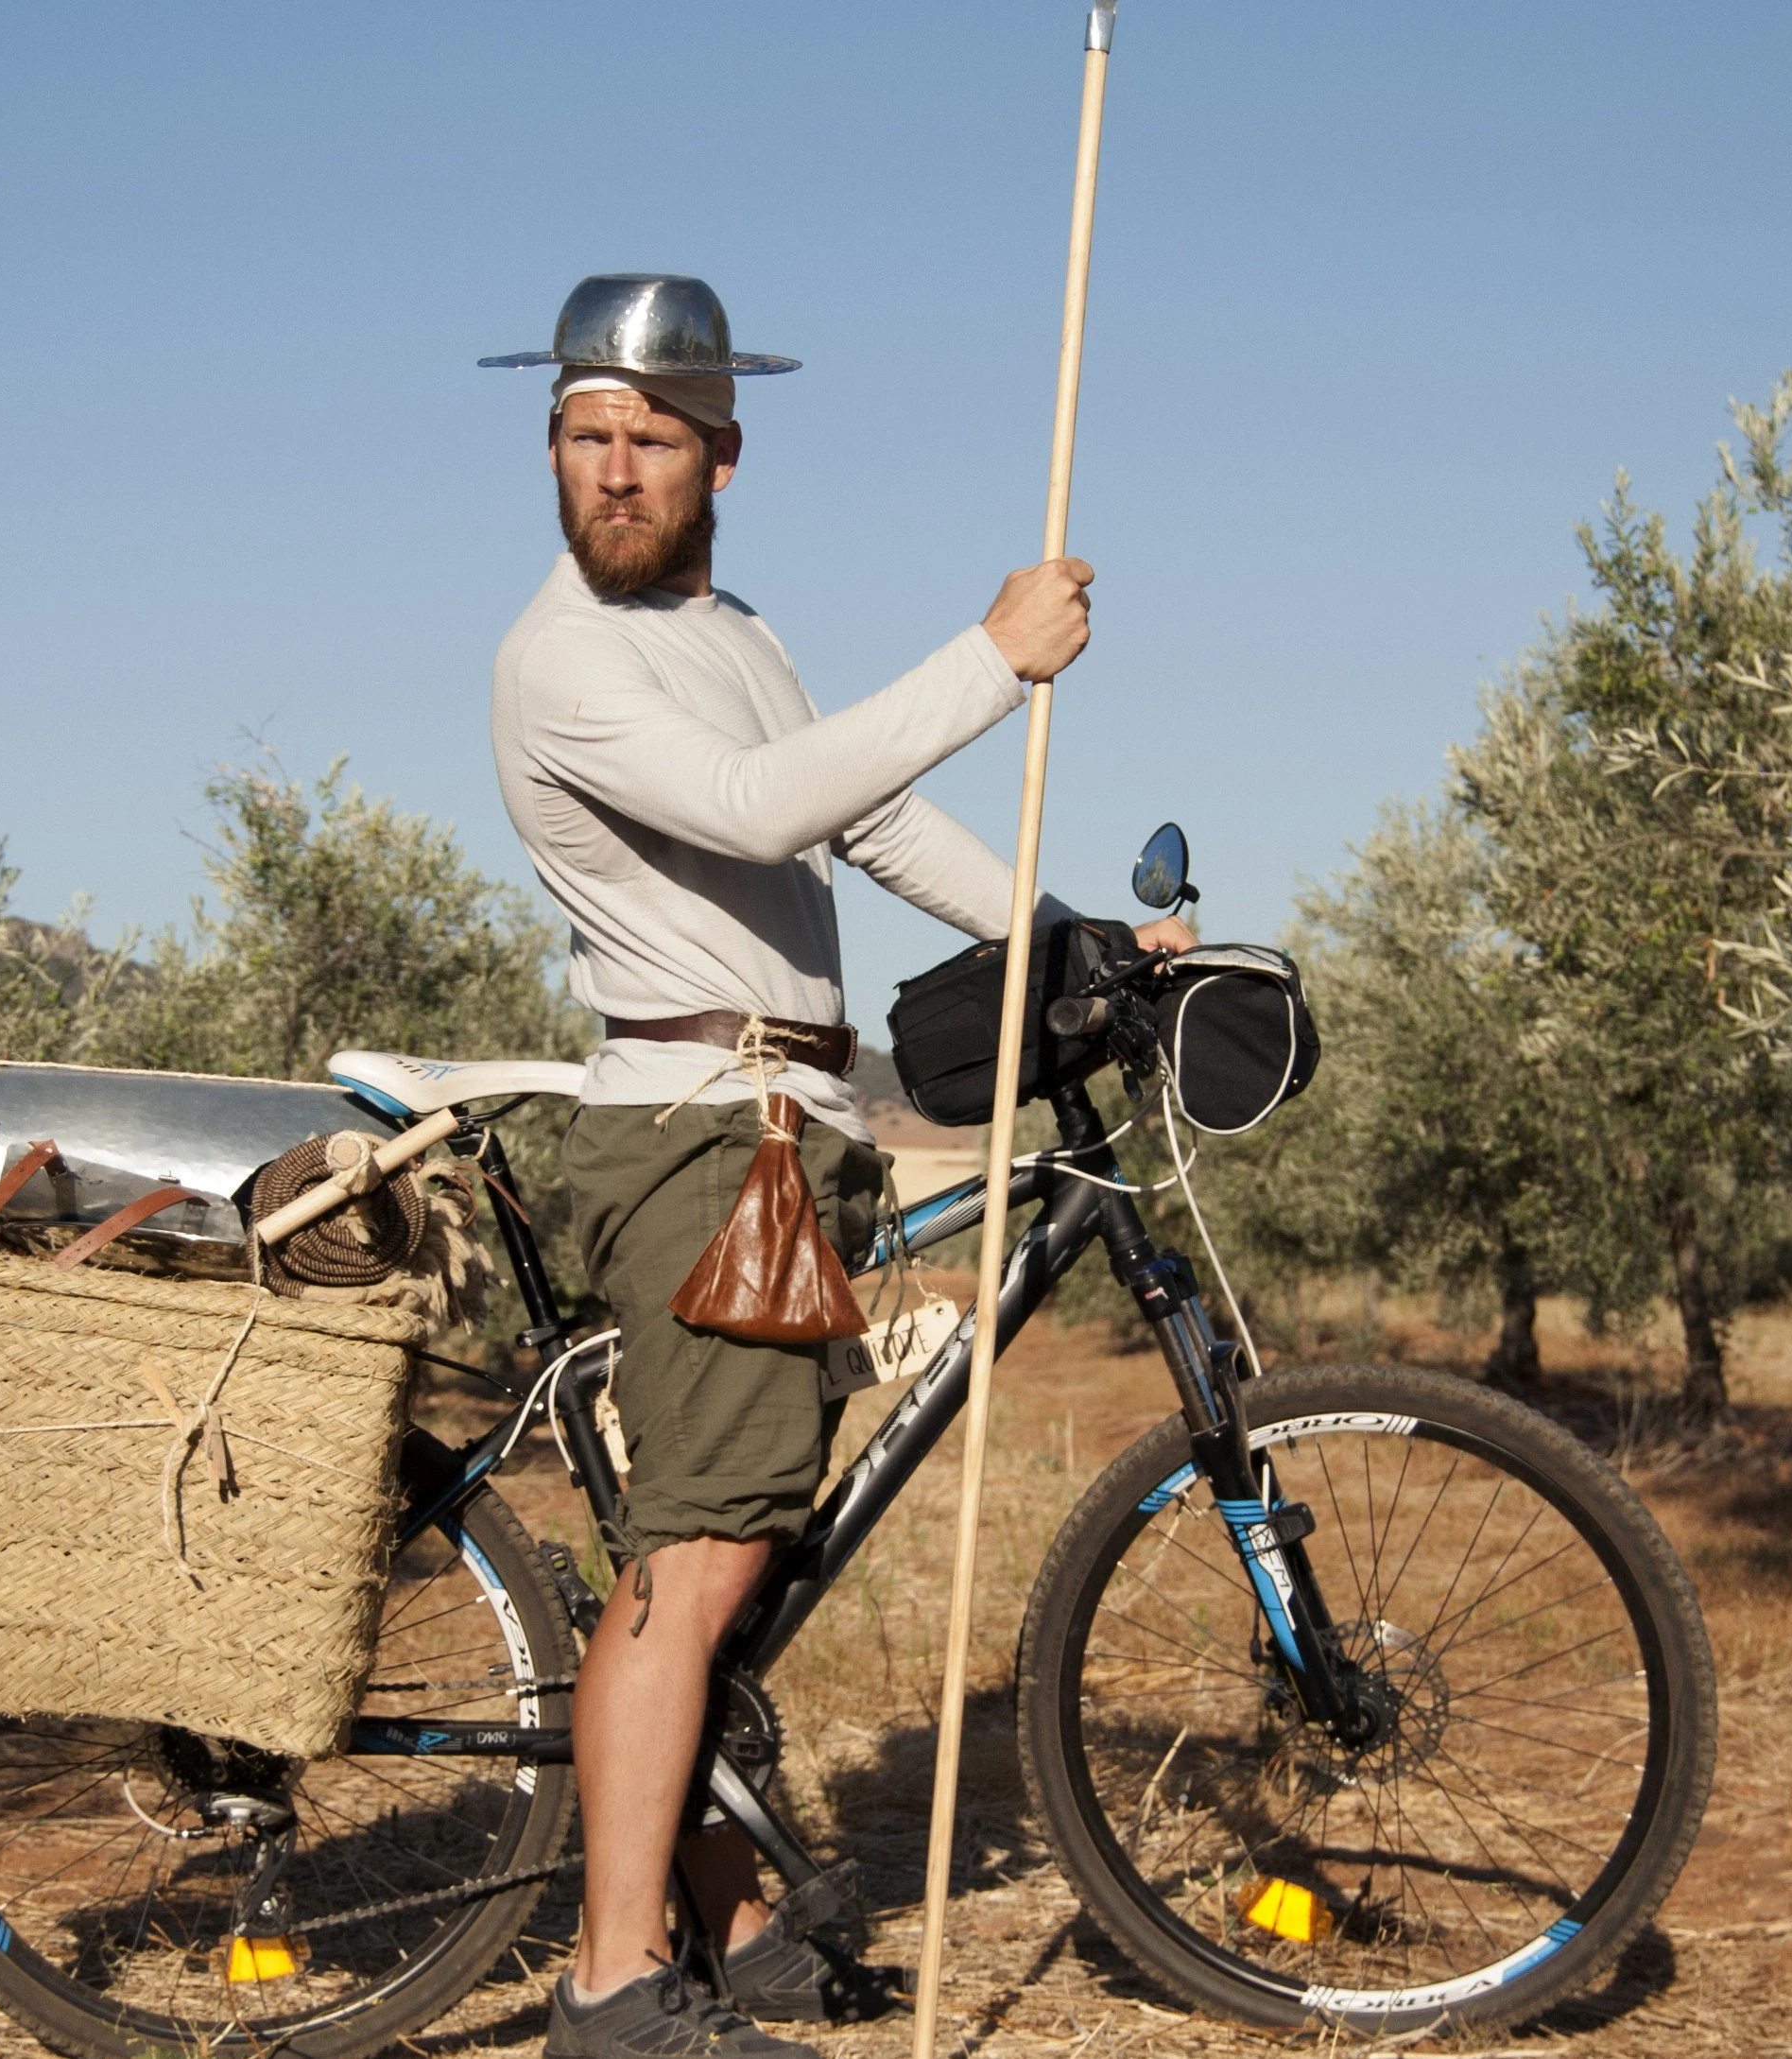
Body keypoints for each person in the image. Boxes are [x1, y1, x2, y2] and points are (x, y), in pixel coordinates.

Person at [482, 275, 1190, 2059]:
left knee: (752, 1540)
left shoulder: (736, 631)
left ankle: (716, 1917)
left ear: (724, 450)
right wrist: (989, 660)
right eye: (584, 436)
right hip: (692, 1132)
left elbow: (861, 815)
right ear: (548, 447)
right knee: (702, 1555)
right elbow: (757, 812)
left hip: (792, 1122)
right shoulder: (558, 655)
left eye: (648, 438)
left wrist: (1059, 932)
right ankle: (612, 1991)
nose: (613, 469)